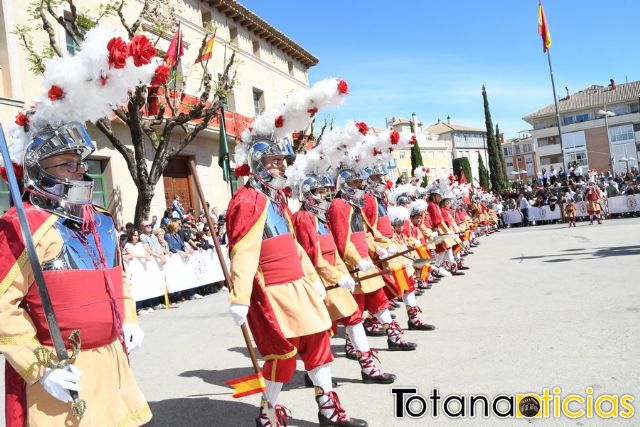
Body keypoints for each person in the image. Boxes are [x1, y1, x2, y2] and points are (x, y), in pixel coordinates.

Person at [0, 122, 150, 426]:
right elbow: (3, 307)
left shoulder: (102, 221)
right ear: (39, 169)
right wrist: (41, 368)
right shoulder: (22, 227)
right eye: (67, 163)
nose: (80, 170)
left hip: (113, 362)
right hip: (62, 369)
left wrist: (130, 319)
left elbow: (118, 281)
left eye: (80, 161)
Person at [227, 134, 367, 426]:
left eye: (282, 161)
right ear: (257, 164)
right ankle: (267, 413)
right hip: (274, 290)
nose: (281, 166)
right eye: (274, 161)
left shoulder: (276, 198)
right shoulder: (247, 199)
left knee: (318, 342)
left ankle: (328, 406)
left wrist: (313, 278)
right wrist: (240, 297)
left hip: (298, 285)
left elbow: (295, 245)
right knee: (284, 355)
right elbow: (243, 252)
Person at [292, 172, 396, 384]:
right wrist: (335, 277)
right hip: (319, 280)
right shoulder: (304, 218)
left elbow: (336, 251)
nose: (324, 196)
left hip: (334, 277)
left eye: (325, 192)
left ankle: (367, 367)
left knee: (354, 320)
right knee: (319, 333)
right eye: (319, 192)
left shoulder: (320, 217)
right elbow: (313, 256)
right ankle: (316, 374)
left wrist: (344, 273)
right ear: (308, 195)